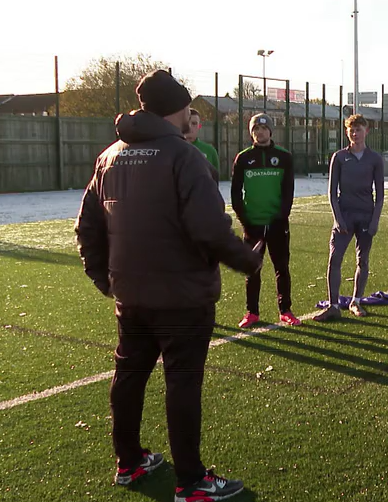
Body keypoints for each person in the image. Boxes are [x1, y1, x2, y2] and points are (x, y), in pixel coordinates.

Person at [75, 69, 260, 499]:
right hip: (182, 297)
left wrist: (104, 278)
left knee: (130, 372)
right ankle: (192, 481)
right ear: (175, 108)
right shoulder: (184, 157)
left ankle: (129, 462)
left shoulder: (110, 156)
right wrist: (248, 261)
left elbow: (87, 226)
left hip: (131, 295)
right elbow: (209, 229)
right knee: (182, 381)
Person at [313, 114, 385, 321]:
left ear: (366, 131)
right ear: (347, 133)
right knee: (334, 259)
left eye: (359, 130)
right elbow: (331, 193)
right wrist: (338, 219)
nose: (355, 133)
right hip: (344, 216)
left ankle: (356, 301)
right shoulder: (339, 157)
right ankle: (333, 305)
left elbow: (380, 195)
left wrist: (374, 221)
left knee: (362, 260)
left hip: (365, 216)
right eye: (352, 130)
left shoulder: (374, 159)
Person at [231, 113, 299, 328]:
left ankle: (285, 310)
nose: (259, 133)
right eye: (255, 130)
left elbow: (288, 191)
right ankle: (252, 312)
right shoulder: (242, 158)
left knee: (282, 268)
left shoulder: (284, 157)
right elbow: (235, 194)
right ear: (251, 133)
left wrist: (281, 217)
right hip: (253, 225)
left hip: (277, 224)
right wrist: (245, 221)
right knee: (252, 270)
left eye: (263, 129)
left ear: (271, 131)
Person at [184, 108, 220, 175]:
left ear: (199, 126)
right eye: (187, 122)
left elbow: (215, 180)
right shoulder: (171, 149)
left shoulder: (210, 151)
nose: (189, 127)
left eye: (194, 123)